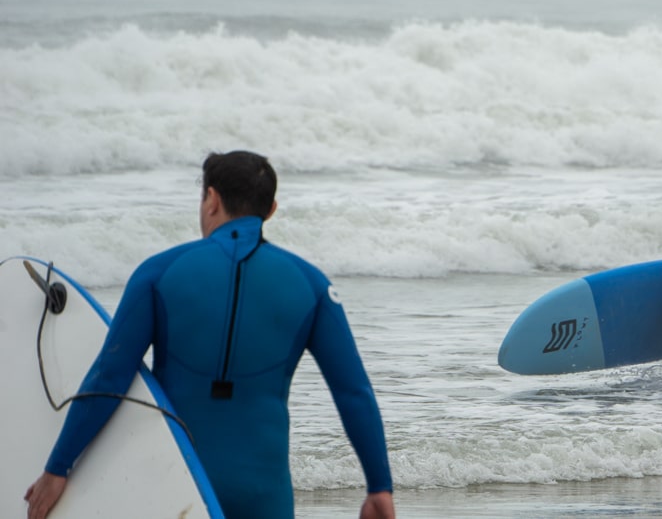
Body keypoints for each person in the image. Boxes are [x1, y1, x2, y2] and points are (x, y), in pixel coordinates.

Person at [25, 151, 394, 519]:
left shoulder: (158, 273)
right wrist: (380, 488)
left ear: (212, 199)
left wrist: (58, 467)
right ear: (271, 209)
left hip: (177, 490)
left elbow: (110, 377)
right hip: (264, 495)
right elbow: (353, 393)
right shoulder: (312, 285)